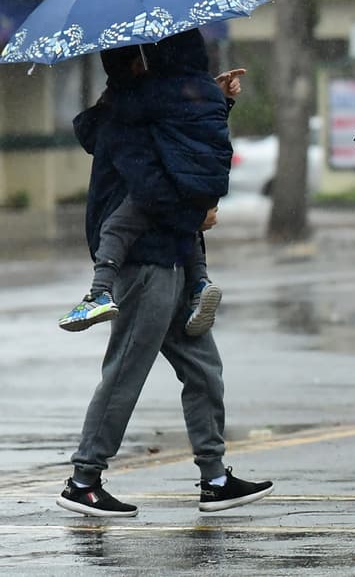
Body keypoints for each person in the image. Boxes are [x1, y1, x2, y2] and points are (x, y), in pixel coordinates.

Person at [55, 30, 273, 518]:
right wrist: (193, 215)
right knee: (126, 372)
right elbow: (153, 186)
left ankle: (215, 478)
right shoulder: (124, 118)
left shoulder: (147, 108)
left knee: (203, 371)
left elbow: (186, 151)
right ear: (137, 65)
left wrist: (213, 102)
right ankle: (83, 480)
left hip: (171, 252)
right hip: (145, 261)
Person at [57, 41, 244, 337]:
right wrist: (212, 93)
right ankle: (201, 282)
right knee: (199, 378)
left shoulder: (141, 105)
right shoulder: (164, 102)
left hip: (152, 250)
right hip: (176, 226)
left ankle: (99, 292)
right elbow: (194, 129)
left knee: (115, 229)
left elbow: (151, 191)